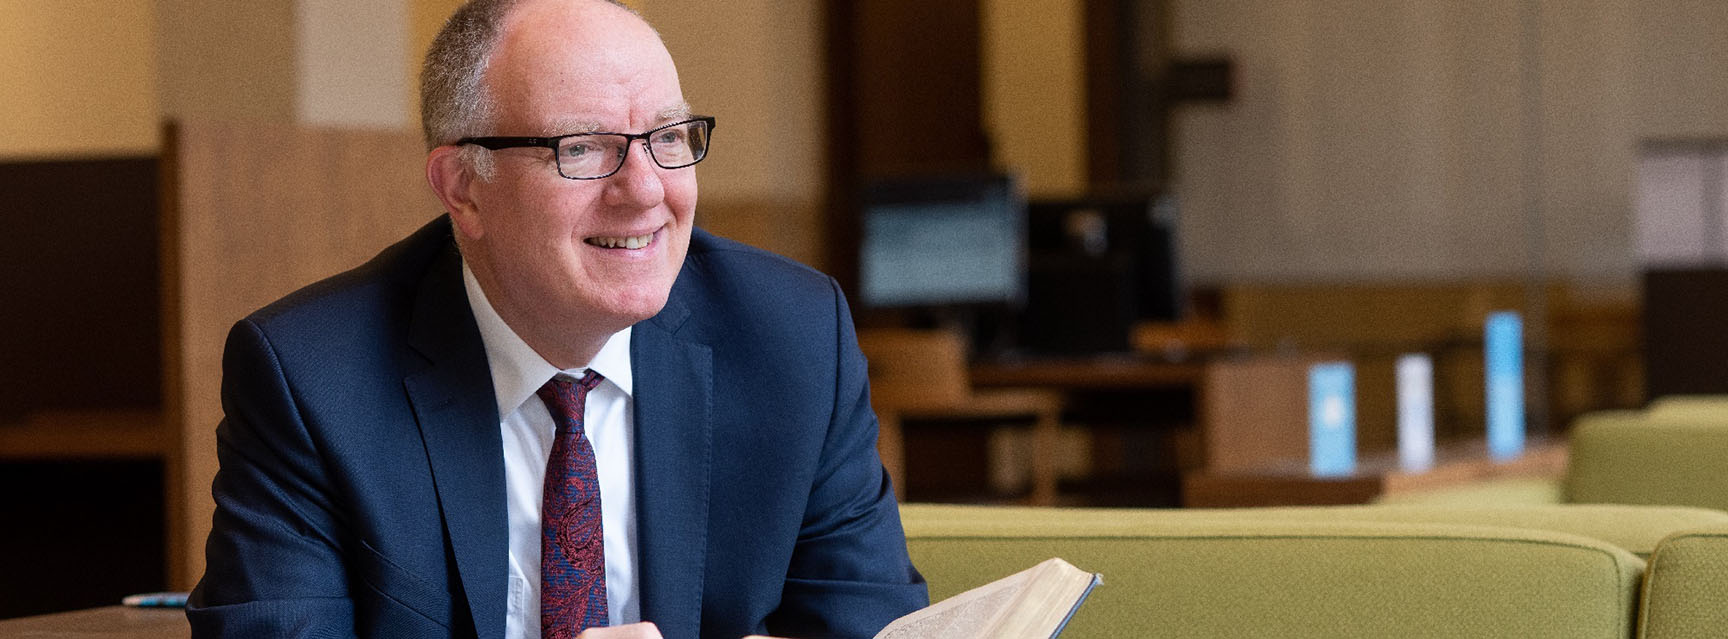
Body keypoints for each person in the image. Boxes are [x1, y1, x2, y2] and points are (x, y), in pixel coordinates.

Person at [185, 0, 928, 637]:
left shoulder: (792, 340)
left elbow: (875, 626)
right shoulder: (313, 378)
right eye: (584, 148)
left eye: (668, 139)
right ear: (463, 189)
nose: (645, 190)